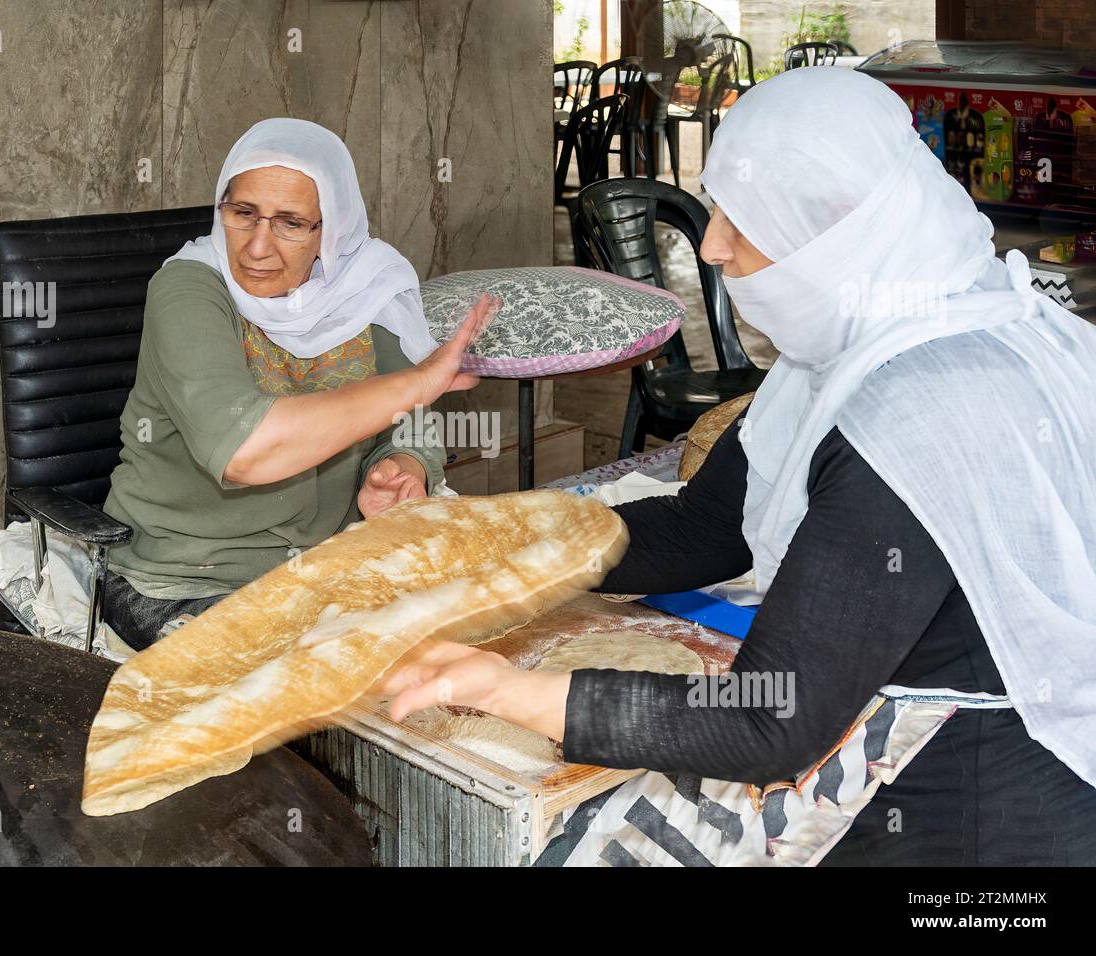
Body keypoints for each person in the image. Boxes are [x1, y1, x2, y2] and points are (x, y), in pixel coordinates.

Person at [376, 67, 1096, 865]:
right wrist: (491, 539)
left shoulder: (919, 413)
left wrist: (505, 690)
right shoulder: (859, 349)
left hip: (975, 807)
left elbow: (771, 718)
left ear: (838, 234)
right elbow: (707, 527)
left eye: (742, 220)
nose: (712, 246)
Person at [102, 118, 496, 650]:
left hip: (330, 565)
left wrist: (402, 467)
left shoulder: (361, 289)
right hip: (188, 578)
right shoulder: (188, 290)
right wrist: (420, 381)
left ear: (330, 231)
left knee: (483, 638)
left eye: (290, 223)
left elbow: (407, 420)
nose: (257, 248)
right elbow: (247, 451)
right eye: (242, 214)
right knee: (303, 690)